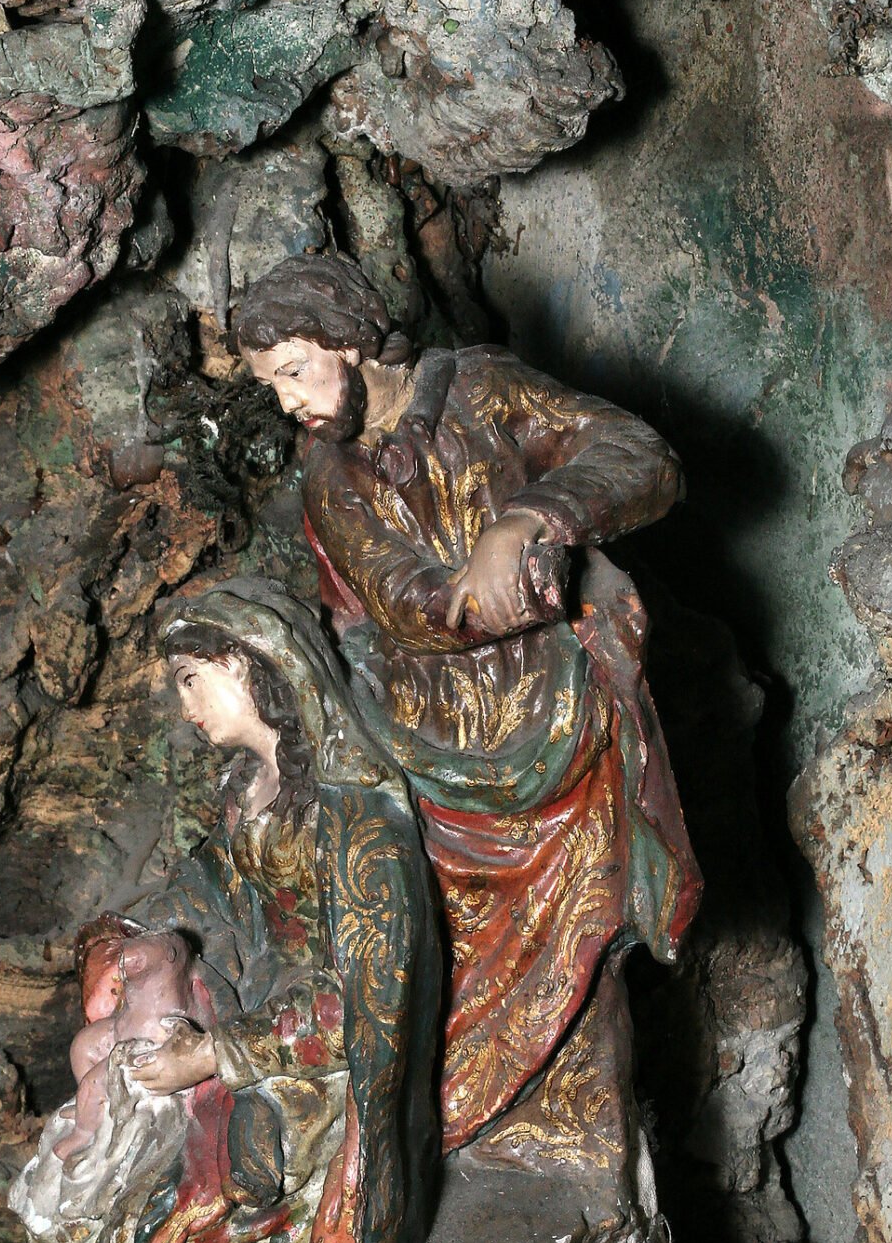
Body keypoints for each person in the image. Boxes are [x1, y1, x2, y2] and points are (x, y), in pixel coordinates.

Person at [233, 252, 702, 1163]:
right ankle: (465, 1146)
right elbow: (410, 604)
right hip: (435, 758)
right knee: (448, 975)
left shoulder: (483, 388)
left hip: (561, 733)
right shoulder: (329, 477)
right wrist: (510, 589)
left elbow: (641, 456)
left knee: (587, 956)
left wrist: (530, 521)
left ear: (350, 340)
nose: (288, 402)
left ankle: (588, 1162)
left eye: (294, 371)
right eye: (272, 386)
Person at [8, 579, 441, 1243]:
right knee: (103, 1229)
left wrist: (219, 1050)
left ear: (251, 667)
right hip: (240, 1080)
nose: (185, 703)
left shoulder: (360, 827)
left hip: (329, 1112)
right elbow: (199, 896)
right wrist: (132, 943)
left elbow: (371, 1002)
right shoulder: (244, 793)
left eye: (192, 678)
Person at [53, 928, 214, 1166]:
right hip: (121, 1030)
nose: (127, 964)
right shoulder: (142, 976)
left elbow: (193, 1024)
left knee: (93, 1083)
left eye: (136, 962)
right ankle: (88, 1109)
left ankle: (83, 1133)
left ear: (169, 955)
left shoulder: (178, 982)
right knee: (83, 1046)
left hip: (147, 1047)